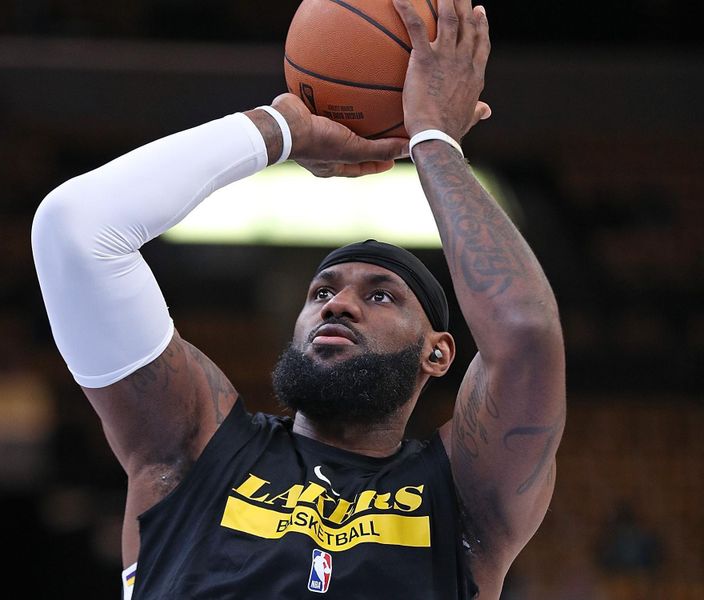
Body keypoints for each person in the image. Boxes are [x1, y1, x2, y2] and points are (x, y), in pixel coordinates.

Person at [31, 0, 565, 598]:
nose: (338, 305)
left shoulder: (462, 500)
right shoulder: (195, 450)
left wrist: (435, 139)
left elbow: (525, 334)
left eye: (382, 296)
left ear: (437, 354)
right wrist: (280, 129)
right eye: (322, 292)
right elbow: (74, 229)